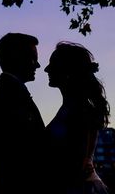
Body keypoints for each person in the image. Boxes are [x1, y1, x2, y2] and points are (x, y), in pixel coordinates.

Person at [43, 42, 110, 193]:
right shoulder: (74, 108)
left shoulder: (78, 110)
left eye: (52, 65)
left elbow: (75, 165)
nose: (46, 69)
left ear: (67, 71)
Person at [0, 32, 44, 194]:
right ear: (16, 57)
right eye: (33, 58)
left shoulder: (8, 91)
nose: (37, 65)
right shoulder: (9, 96)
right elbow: (29, 151)